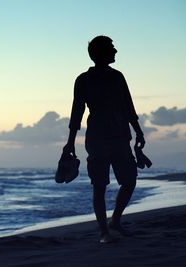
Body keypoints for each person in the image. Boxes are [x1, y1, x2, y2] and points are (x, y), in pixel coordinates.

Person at [64, 35, 146, 243]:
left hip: (120, 136)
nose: (115, 51)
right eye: (111, 48)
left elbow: (129, 107)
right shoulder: (83, 80)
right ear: (100, 53)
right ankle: (103, 232)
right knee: (99, 185)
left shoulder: (118, 76)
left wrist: (139, 131)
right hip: (98, 138)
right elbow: (77, 113)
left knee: (129, 181)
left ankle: (115, 221)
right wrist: (70, 141)